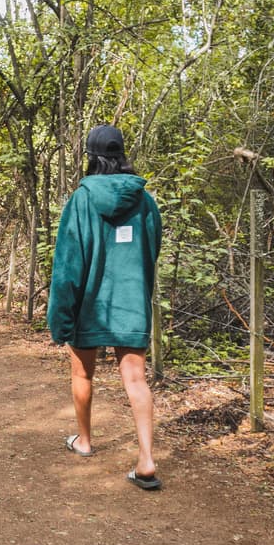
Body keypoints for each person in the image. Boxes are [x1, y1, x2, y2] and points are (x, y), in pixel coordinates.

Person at [47, 124, 163, 490]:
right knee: (135, 379)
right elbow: (152, 248)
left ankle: (84, 441)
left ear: (91, 157)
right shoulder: (145, 201)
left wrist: (59, 317)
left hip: (88, 306)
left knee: (83, 374)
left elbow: (67, 266)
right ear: (122, 154)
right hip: (131, 302)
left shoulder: (80, 200)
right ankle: (146, 460)